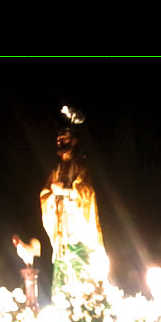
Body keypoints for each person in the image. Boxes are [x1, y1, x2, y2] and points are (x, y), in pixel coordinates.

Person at [39, 111, 107, 291]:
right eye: (59, 139)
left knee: (79, 266)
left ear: (74, 141)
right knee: (62, 267)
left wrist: (67, 192)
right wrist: (53, 195)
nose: (61, 141)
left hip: (77, 228)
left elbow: (86, 192)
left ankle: (83, 304)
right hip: (61, 228)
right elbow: (45, 194)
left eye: (65, 138)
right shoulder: (57, 169)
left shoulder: (80, 166)